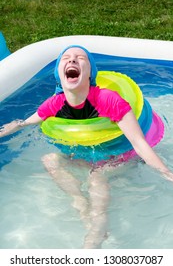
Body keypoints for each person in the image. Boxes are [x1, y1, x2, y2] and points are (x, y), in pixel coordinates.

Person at [0, 45, 173, 249]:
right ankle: (81, 208)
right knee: (50, 160)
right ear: (58, 73)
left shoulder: (108, 100)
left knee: (96, 176)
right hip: (90, 154)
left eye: (80, 58)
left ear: (90, 73)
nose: (72, 60)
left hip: (123, 153)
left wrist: (166, 173)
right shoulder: (55, 103)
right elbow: (26, 122)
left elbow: (138, 143)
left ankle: (97, 230)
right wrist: (12, 127)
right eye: (66, 58)